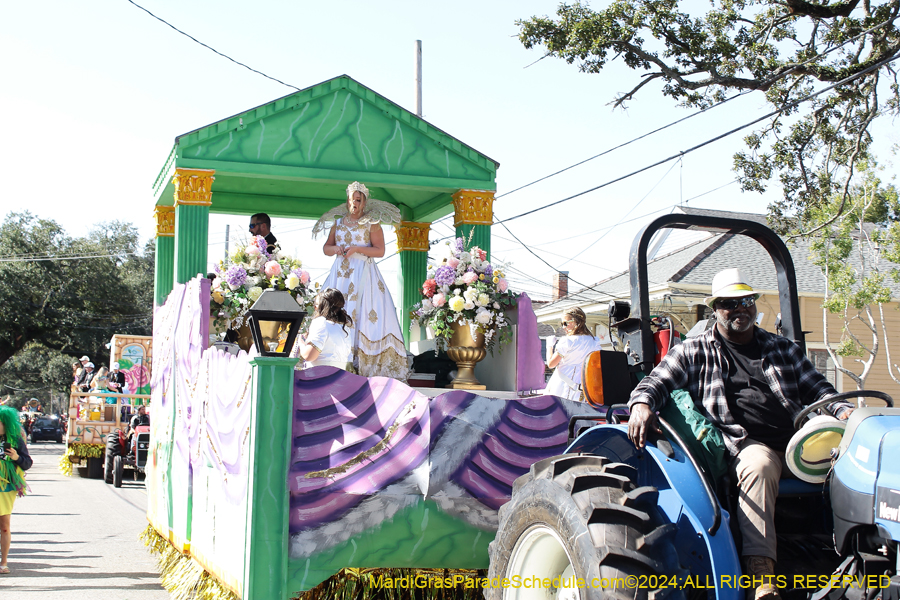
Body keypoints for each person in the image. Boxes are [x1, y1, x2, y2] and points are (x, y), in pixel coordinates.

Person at [626, 268, 853, 600]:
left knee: (858, 458)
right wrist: (642, 404)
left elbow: (820, 390)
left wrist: (845, 412)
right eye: (730, 304)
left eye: (746, 301)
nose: (740, 310)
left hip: (799, 443)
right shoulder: (694, 350)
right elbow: (654, 382)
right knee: (759, 466)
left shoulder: (783, 349)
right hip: (745, 444)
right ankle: (761, 575)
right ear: (715, 309)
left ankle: (858, 558)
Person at [313, 182, 409, 379]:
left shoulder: (371, 223)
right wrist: (335, 250)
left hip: (363, 273)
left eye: (358, 200)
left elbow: (380, 250)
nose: (354, 204)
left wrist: (356, 249)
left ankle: (365, 363)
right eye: (351, 200)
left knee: (365, 312)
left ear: (364, 202)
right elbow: (326, 248)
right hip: (340, 273)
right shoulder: (338, 223)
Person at [0, 405, 33, 575]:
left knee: (4, 527)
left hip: (6, 488)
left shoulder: (15, 440)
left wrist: (16, 457)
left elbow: (27, 463)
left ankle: (3, 562)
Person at [545, 307, 603, 400]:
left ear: (576, 322)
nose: (563, 327)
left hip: (562, 385)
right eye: (562, 324)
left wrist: (549, 346)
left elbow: (551, 364)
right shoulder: (593, 341)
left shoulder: (567, 341)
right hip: (583, 386)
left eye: (565, 323)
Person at [292, 288, 353, 370]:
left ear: (323, 306)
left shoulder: (321, 322)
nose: (314, 307)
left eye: (316, 305)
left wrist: (301, 343)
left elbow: (309, 355)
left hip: (321, 377)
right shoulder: (345, 328)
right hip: (340, 377)